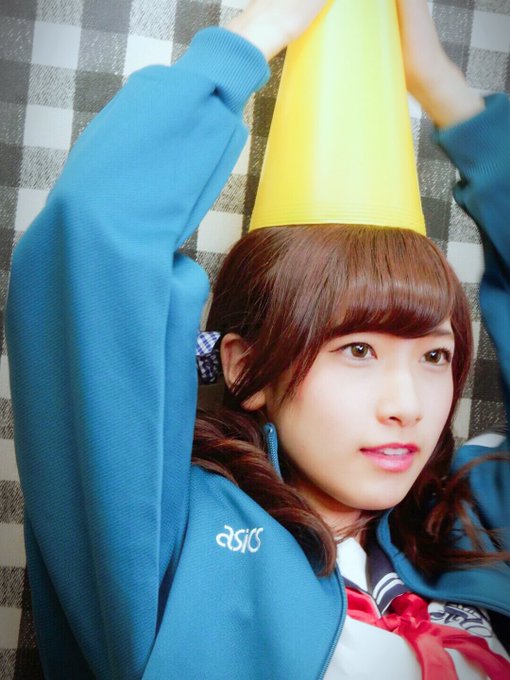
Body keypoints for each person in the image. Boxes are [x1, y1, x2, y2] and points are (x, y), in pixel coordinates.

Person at [5, 0, 510, 678]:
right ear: (245, 368)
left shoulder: (472, 521)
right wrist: (257, 35)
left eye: (434, 355)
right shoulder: (166, 537)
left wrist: (447, 94)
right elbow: (93, 239)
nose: (408, 406)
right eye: (358, 350)